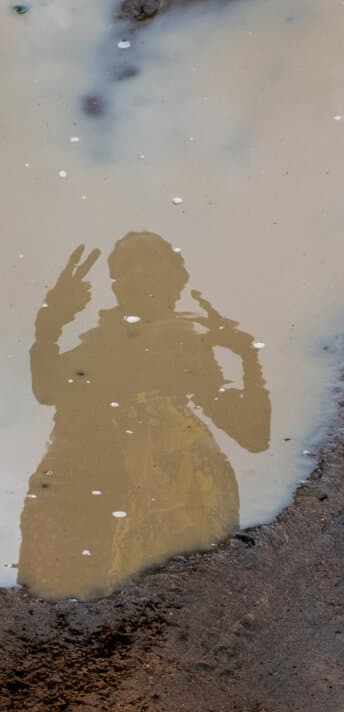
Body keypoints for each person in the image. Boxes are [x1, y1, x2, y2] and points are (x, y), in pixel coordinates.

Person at [18, 232, 270, 600]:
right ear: (117, 286)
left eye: (148, 261)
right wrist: (48, 327)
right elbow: (48, 392)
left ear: (174, 279)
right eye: (125, 267)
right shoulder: (104, 340)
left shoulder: (181, 342)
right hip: (87, 498)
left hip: (145, 502)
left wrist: (248, 357)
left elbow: (253, 435)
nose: (137, 274)